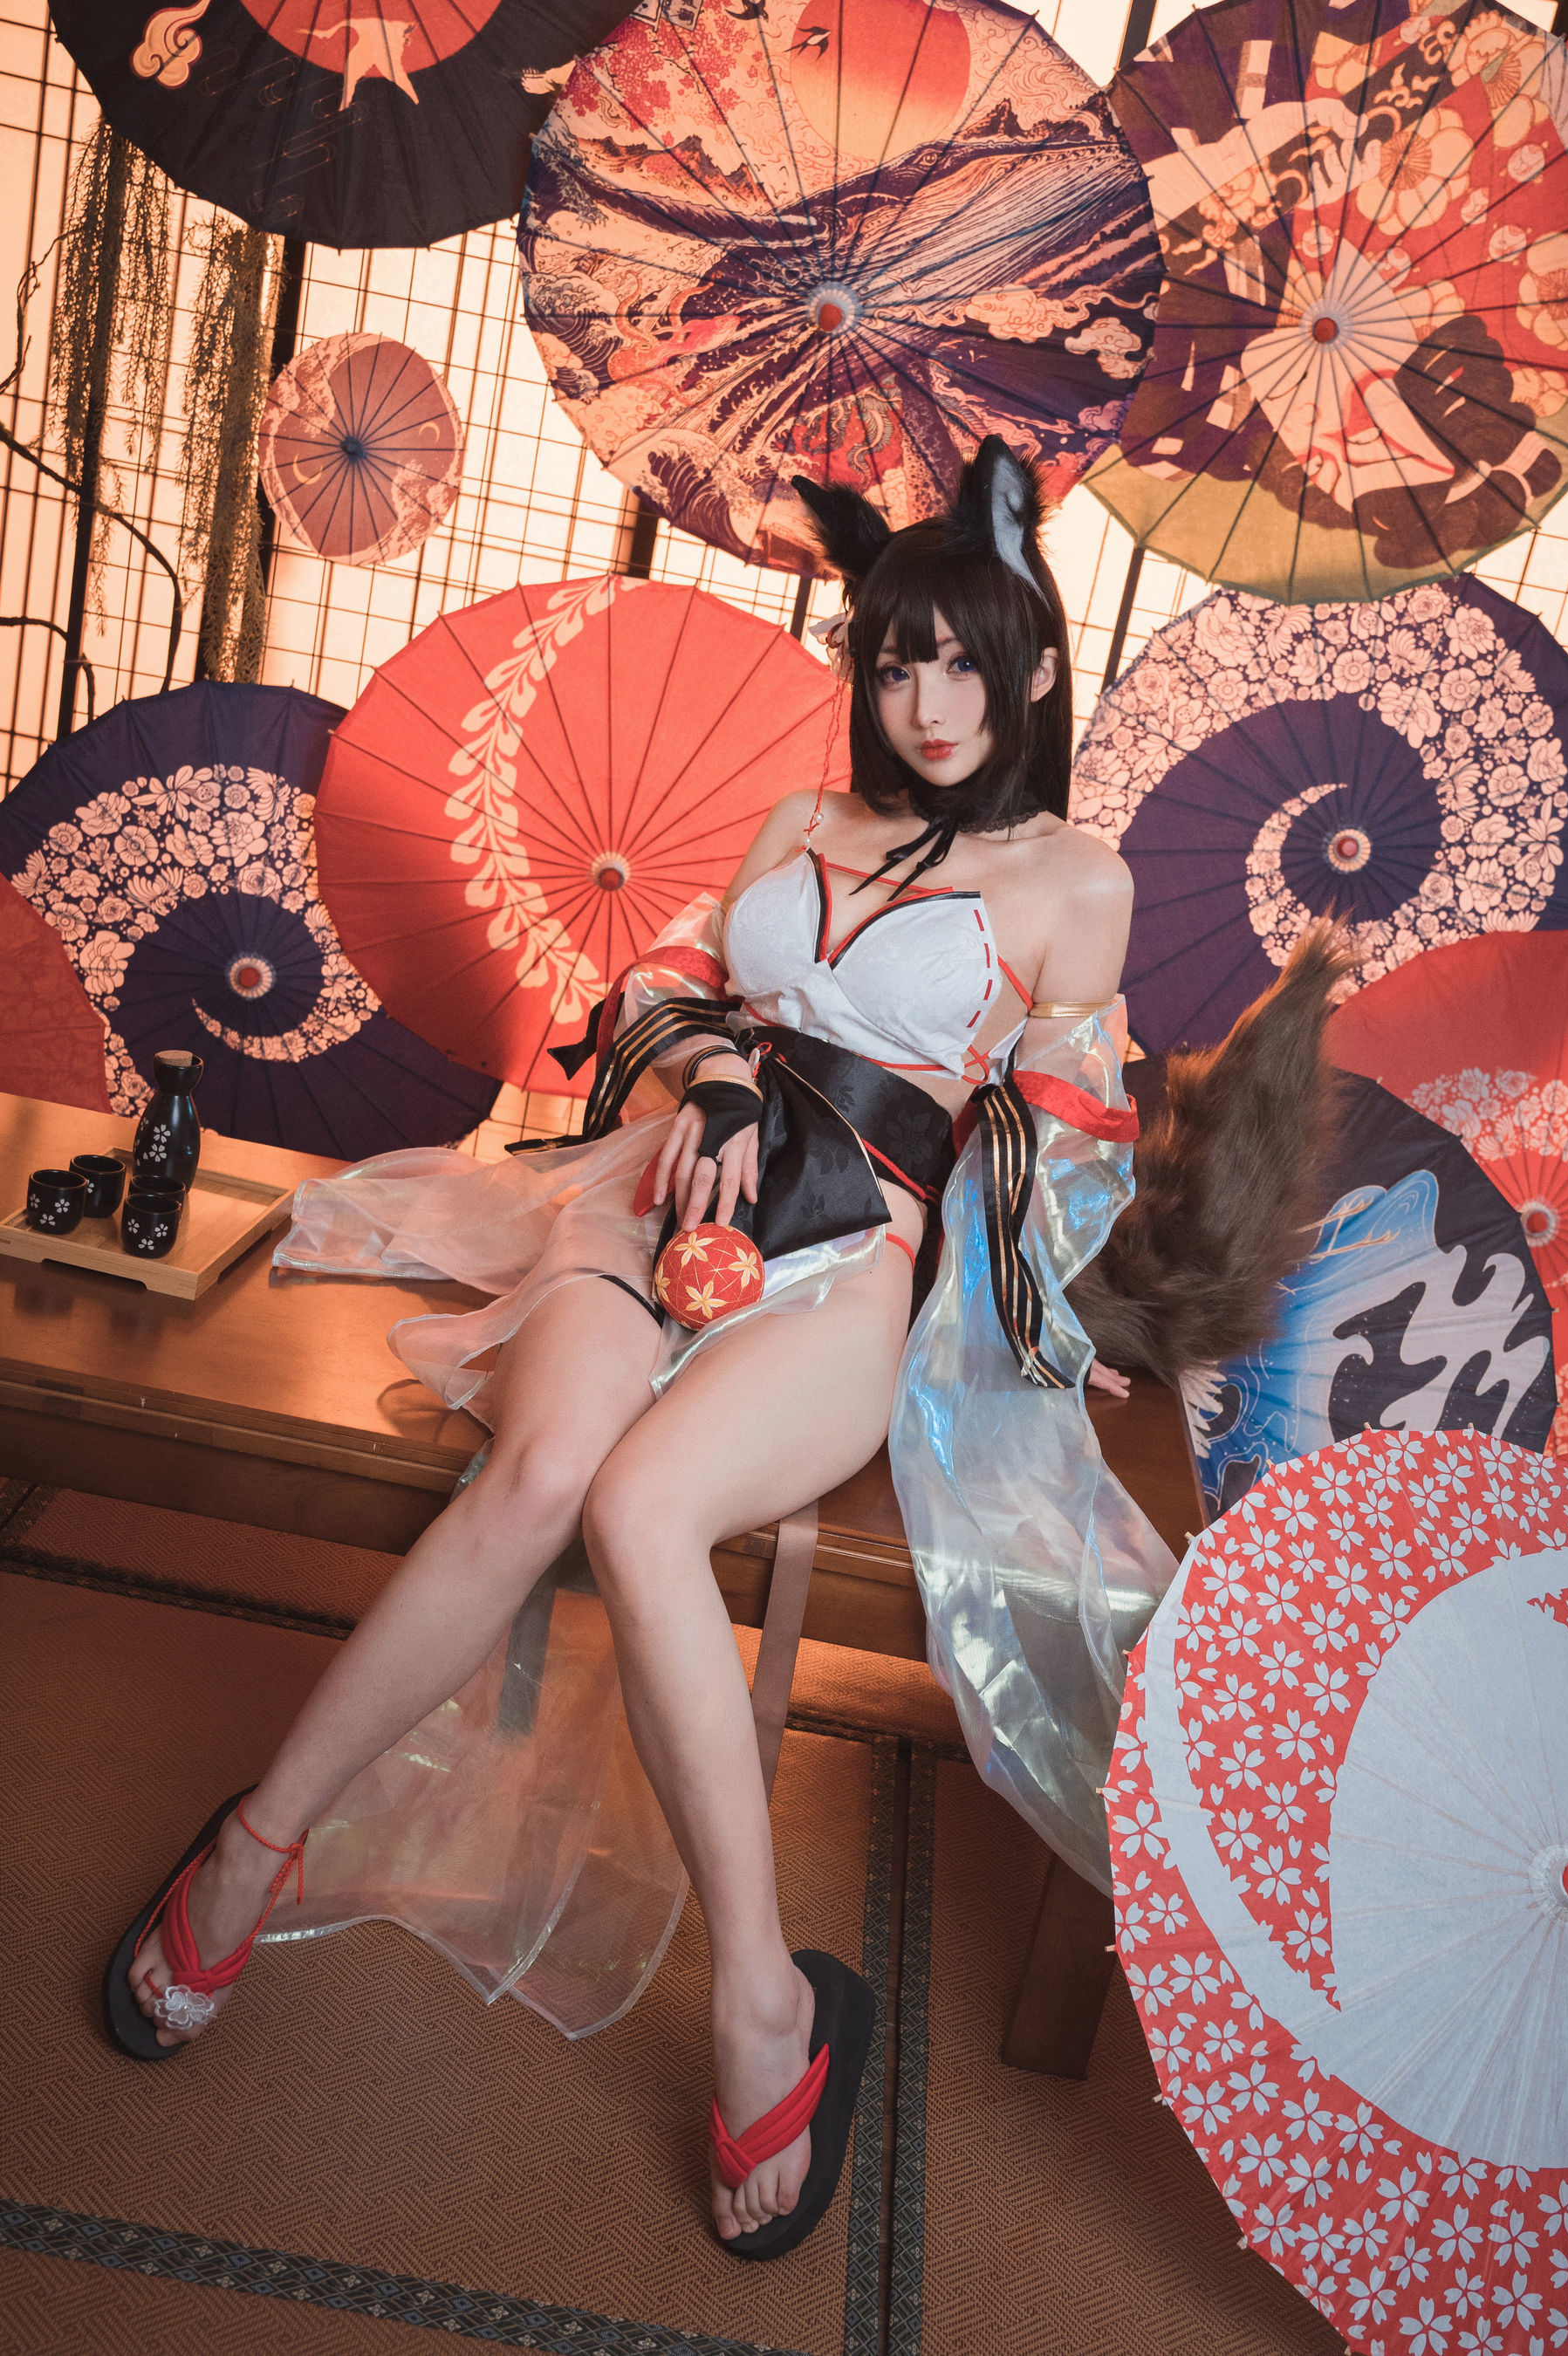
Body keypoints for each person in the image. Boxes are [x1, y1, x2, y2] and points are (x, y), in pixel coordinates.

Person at [104, 438, 1178, 2257]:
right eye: (894, 663)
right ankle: (258, 1842)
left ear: (1034, 672)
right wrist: (722, 1073)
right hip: (657, 1193)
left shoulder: (1081, 880)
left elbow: (1064, 1139)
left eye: (961, 665)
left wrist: (1062, 1301)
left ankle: (762, 1998)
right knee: (539, 1473)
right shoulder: (798, 818)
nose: (925, 704)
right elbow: (666, 981)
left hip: (855, 1258)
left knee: (646, 1508)